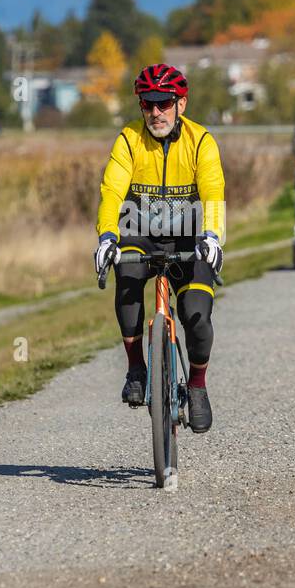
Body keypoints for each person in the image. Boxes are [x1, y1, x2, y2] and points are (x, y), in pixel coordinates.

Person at [94, 64, 225, 433]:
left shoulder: (201, 142)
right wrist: (107, 236)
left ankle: (197, 386)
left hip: (190, 234)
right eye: (147, 104)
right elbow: (111, 192)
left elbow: (214, 193)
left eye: (164, 103)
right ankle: (136, 367)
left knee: (197, 315)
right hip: (139, 229)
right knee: (128, 274)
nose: (155, 112)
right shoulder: (128, 140)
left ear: (181, 104)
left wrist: (213, 235)